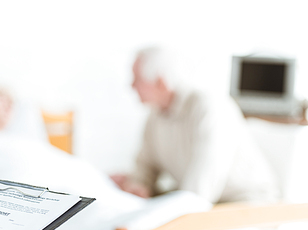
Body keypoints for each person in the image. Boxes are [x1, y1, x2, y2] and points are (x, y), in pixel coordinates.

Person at [111, 47, 279, 204]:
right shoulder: (155, 116)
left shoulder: (208, 107)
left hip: (245, 203)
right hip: (208, 203)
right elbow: (146, 164)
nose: (131, 85)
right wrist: (138, 185)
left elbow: (204, 182)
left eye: (137, 79)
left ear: (160, 82)